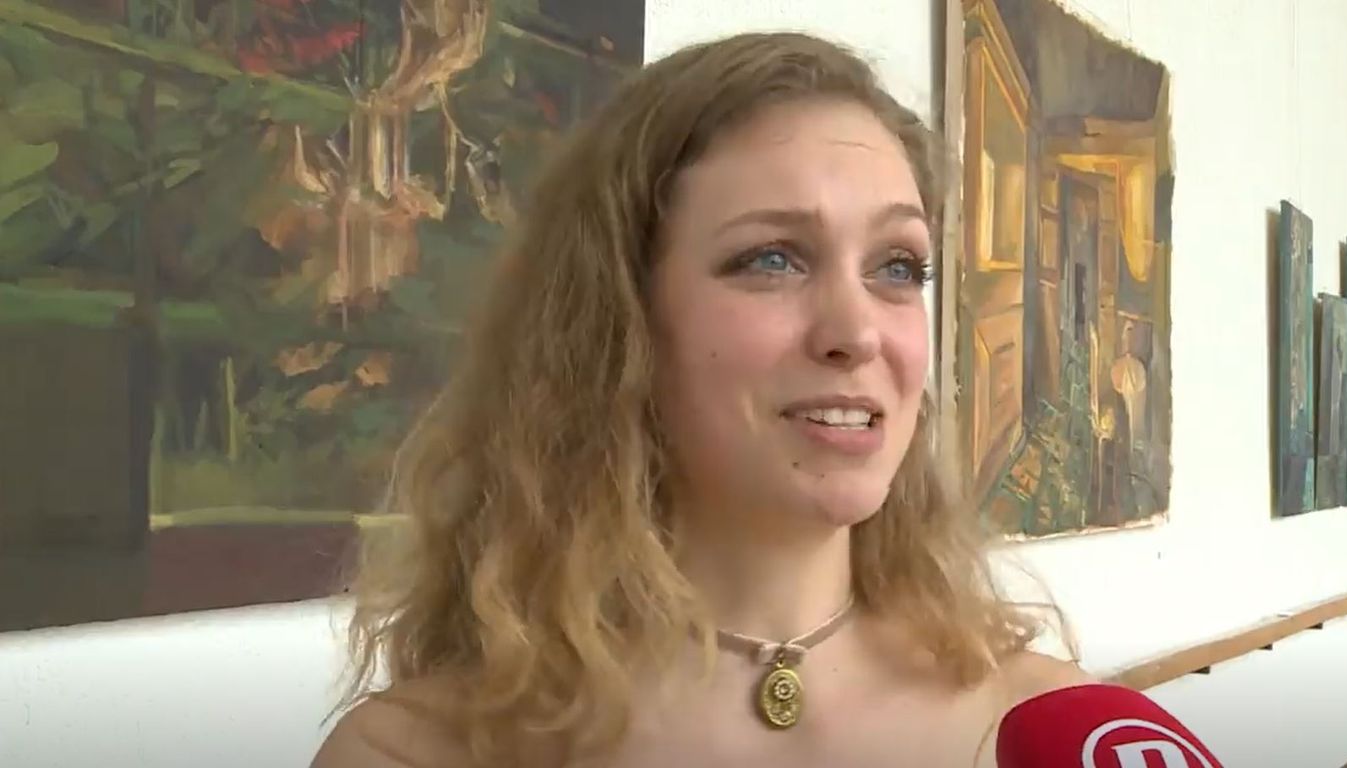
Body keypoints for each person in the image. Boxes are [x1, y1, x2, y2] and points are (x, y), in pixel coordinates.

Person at [311, 30, 1091, 768]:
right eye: (773, 259)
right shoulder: (415, 753)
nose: (857, 334)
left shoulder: (1041, 726)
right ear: (619, 320)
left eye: (897, 267)